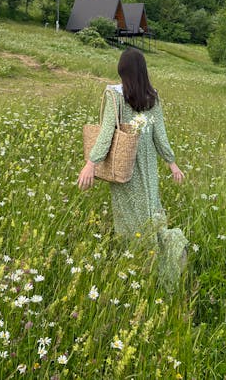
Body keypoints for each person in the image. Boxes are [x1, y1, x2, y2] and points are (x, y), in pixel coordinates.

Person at [77, 47, 188, 291]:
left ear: (122, 71)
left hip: (124, 166)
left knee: (129, 217)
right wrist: (171, 163)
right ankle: (162, 251)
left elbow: (107, 132)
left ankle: (138, 262)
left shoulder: (115, 96)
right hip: (148, 167)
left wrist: (91, 163)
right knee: (149, 210)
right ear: (144, 71)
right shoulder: (153, 96)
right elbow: (160, 134)